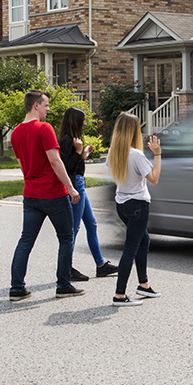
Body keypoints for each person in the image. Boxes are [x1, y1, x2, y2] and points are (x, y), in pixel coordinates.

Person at [9, 90, 84, 301]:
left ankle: (17, 288)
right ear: (36, 106)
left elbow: (23, 165)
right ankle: (63, 285)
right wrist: (70, 187)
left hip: (31, 194)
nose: (48, 109)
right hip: (53, 194)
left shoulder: (15, 133)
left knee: (26, 240)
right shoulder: (44, 128)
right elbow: (55, 160)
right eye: (46, 105)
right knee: (66, 237)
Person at [107, 112, 162, 307]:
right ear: (133, 131)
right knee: (130, 248)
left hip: (122, 205)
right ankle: (119, 295)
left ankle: (143, 285)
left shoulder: (114, 153)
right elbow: (154, 178)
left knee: (143, 240)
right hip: (137, 206)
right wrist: (157, 154)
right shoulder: (136, 155)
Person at [58, 107, 118, 281]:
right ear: (75, 121)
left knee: (91, 224)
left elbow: (74, 164)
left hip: (80, 184)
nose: (85, 123)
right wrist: (78, 152)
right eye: (83, 120)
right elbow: (66, 166)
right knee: (73, 229)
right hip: (76, 185)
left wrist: (83, 154)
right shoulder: (66, 141)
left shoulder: (74, 141)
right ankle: (66, 268)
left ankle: (101, 265)